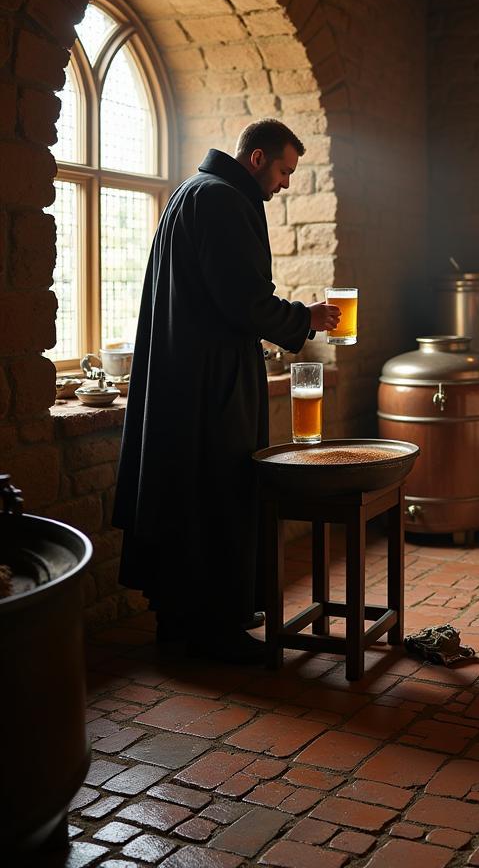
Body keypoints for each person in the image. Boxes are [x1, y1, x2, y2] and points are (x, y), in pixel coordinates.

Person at [112, 119, 340, 663]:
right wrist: (303, 317)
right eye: (283, 170)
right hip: (209, 385)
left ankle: (181, 623)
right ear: (257, 158)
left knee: (188, 498)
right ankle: (215, 633)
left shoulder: (193, 191)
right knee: (217, 496)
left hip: (187, 376)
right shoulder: (220, 200)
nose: (285, 184)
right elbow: (244, 301)